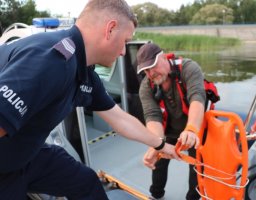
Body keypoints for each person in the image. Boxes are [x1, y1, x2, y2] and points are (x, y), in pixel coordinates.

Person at [0, 0, 180, 199]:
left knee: (86, 183)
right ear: (110, 29)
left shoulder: (82, 70)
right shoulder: (50, 61)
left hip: (26, 153)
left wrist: (161, 145)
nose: (122, 52)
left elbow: (119, 119)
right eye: (125, 42)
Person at [137, 43, 206, 200]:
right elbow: (152, 116)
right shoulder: (146, 86)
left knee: (196, 166)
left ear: (163, 57)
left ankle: (193, 198)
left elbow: (197, 97)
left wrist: (191, 129)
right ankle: (156, 194)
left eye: (153, 66)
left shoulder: (189, 68)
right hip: (169, 130)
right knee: (158, 160)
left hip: (194, 128)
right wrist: (157, 143)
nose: (151, 73)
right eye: (146, 70)